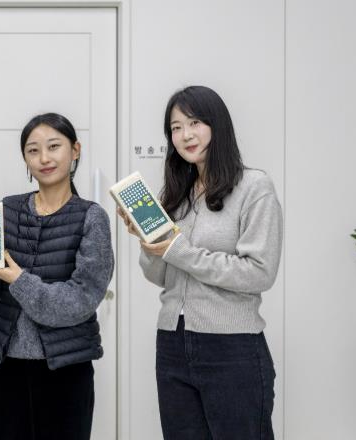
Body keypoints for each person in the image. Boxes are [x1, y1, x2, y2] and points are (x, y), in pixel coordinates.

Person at [119, 86, 282, 439]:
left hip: (232, 347)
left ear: (217, 124)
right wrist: (150, 243)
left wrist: (177, 248)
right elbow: (161, 275)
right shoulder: (176, 194)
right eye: (176, 128)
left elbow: (259, 272)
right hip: (172, 343)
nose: (185, 135)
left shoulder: (254, 186)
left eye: (194, 122)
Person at [0, 113, 114, 440]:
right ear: (25, 159)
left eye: (54, 146)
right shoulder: (6, 209)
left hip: (65, 366)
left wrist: (18, 278)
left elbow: (81, 301)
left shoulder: (91, 217)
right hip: (2, 364)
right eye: (33, 150)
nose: (44, 158)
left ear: (75, 150)